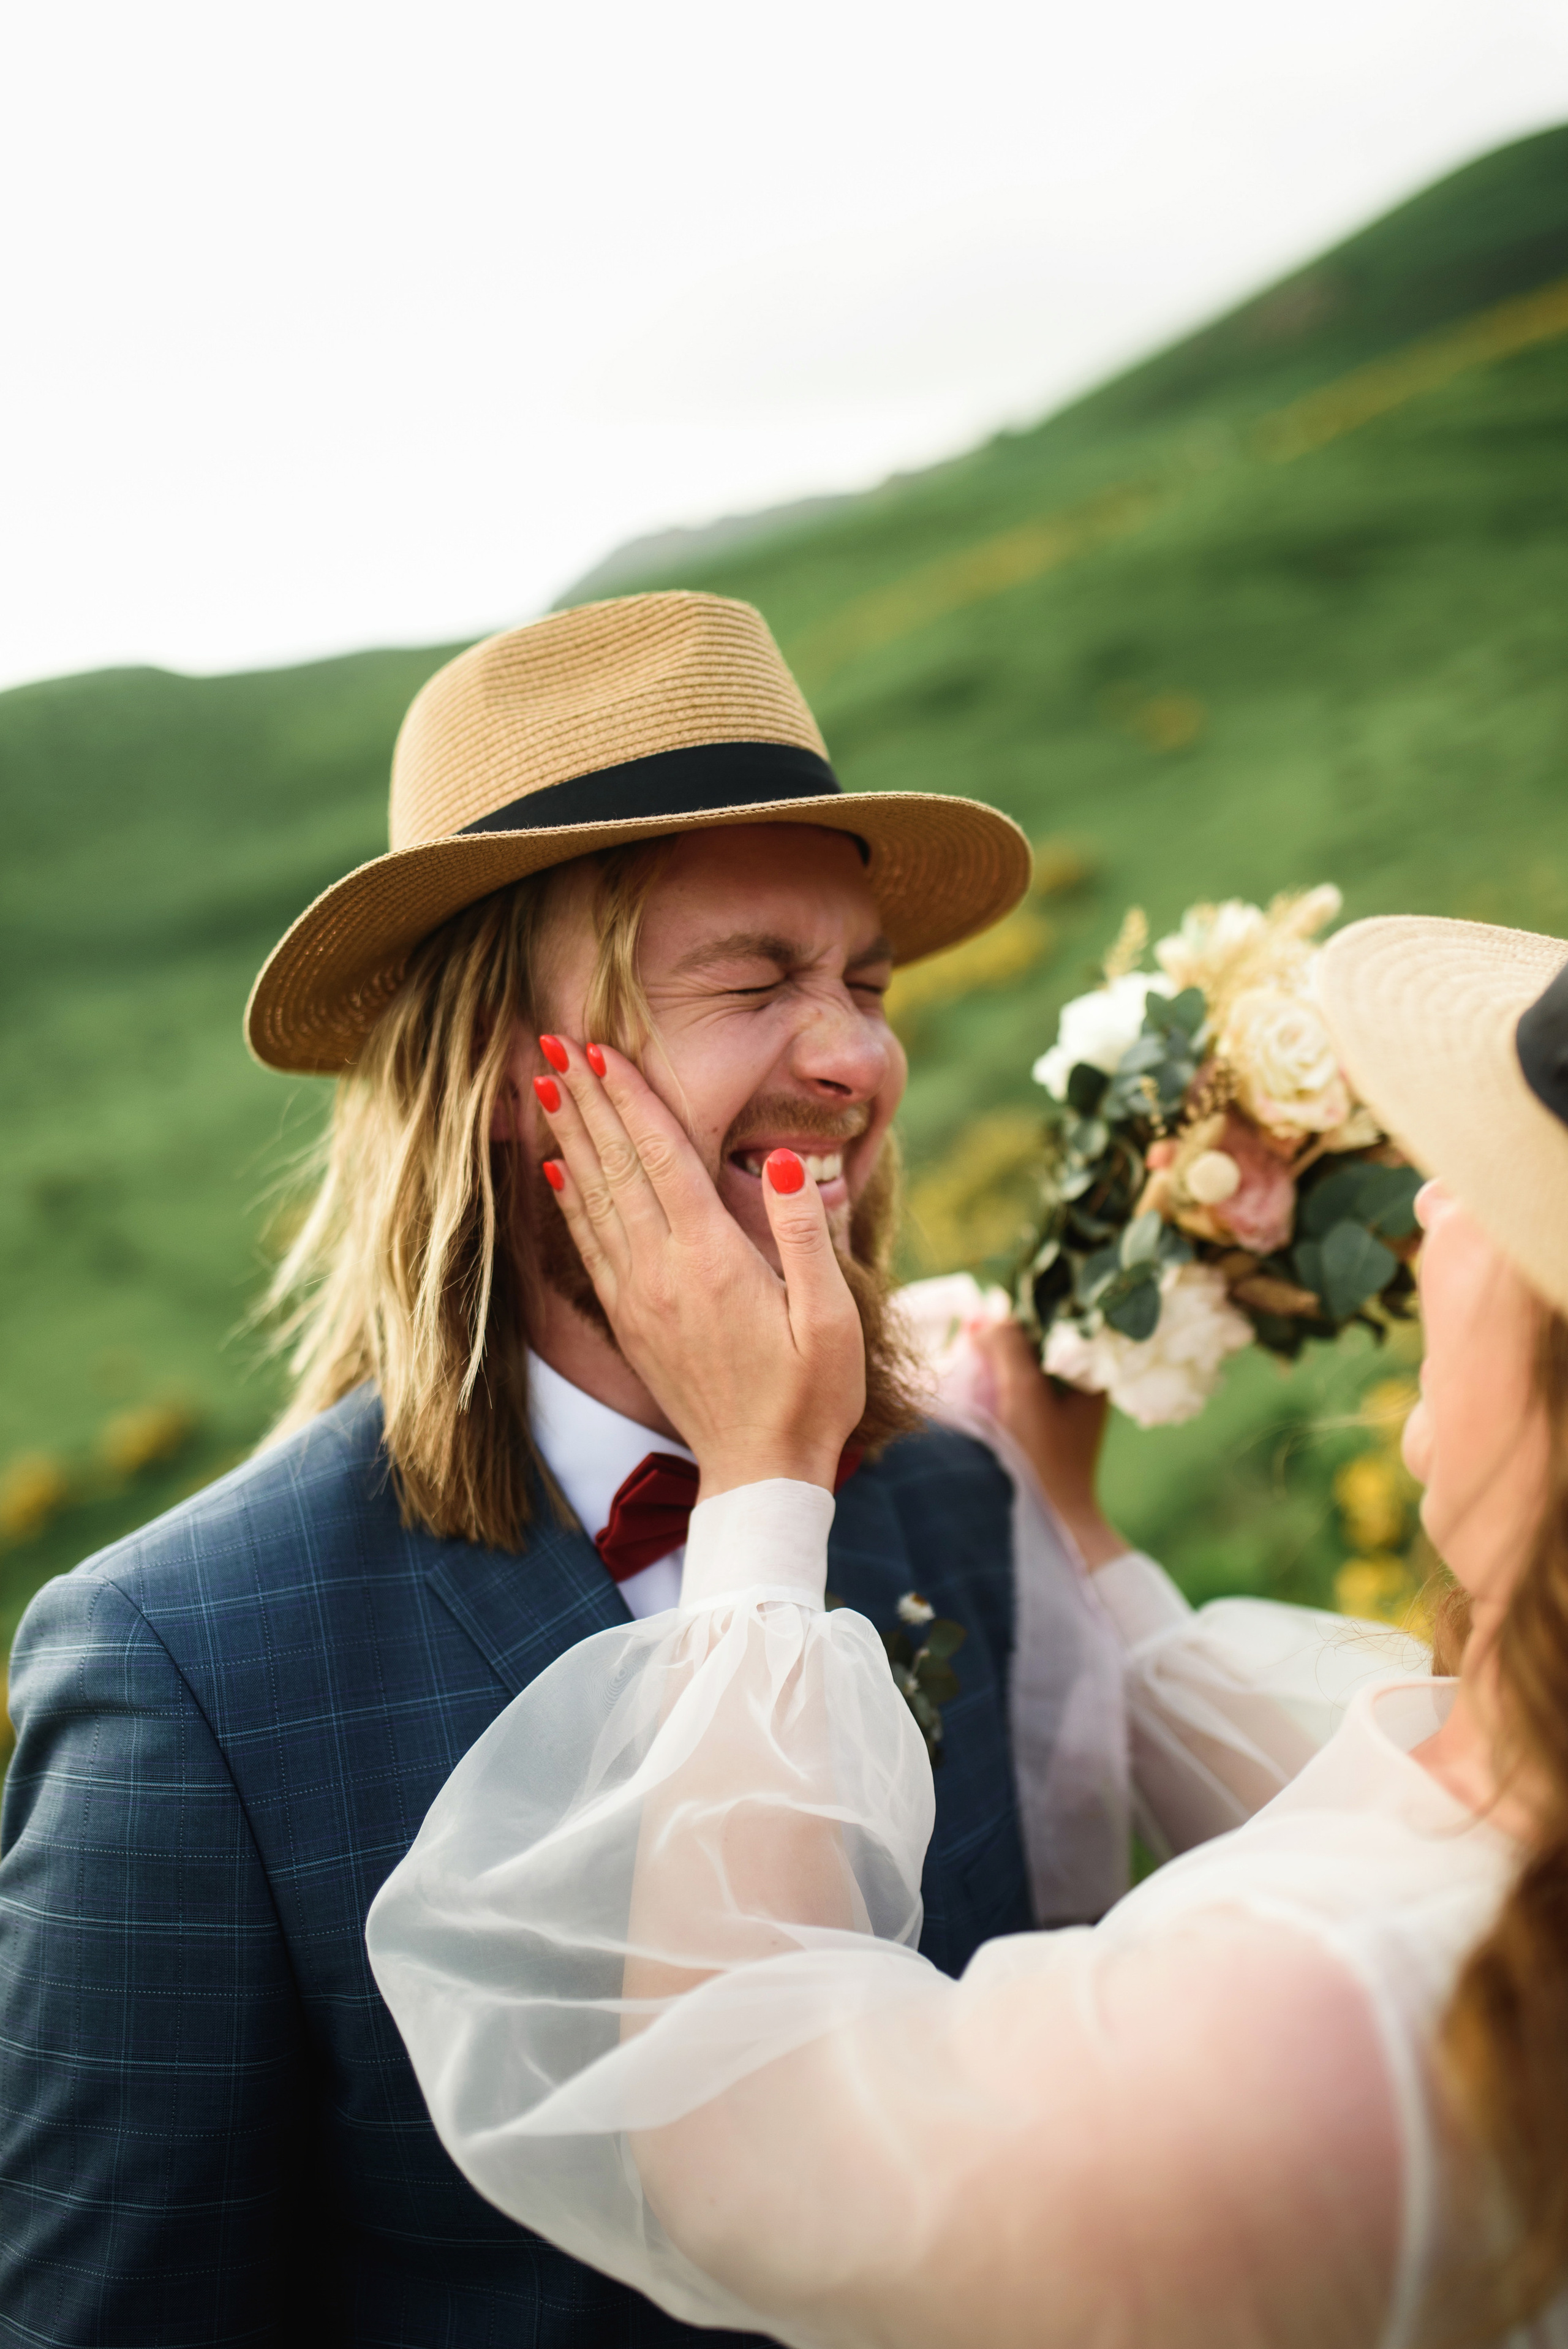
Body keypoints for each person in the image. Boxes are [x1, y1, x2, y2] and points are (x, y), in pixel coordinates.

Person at [4, 589, 1250, 2347]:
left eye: (867, 983)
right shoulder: (179, 1668)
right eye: (757, 980)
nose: (859, 1057)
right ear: (520, 1076)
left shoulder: (946, 1504)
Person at [368, 913, 1568, 2348]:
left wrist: (757, 1482)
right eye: (753, 983)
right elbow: (1352, 1791)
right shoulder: (1503, 1809)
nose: (1432, 1206)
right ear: (511, 1080)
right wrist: (1081, 1535)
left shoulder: (1337, 2015)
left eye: (1500, 1195)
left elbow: (749, 2133)